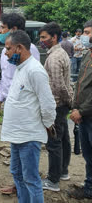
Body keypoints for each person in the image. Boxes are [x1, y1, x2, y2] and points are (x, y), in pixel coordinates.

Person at [1, 30, 56, 203]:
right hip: (17, 135)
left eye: (8, 49)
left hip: (28, 136)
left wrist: (47, 125)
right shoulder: (20, 68)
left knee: (31, 179)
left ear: (19, 48)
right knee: (17, 174)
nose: (5, 52)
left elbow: (48, 104)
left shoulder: (35, 71)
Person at [0, 12, 40, 195]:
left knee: (26, 151)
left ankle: (25, 185)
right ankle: (19, 184)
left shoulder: (30, 52)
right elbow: (6, 78)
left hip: (24, 110)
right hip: (12, 106)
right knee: (16, 152)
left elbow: (33, 85)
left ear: (13, 29)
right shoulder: (7, 52)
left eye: (2, 27)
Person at [39, 22, 73, 192]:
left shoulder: (53, 58)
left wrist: (67, 101)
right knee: (63, 139)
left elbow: (59, 86)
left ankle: (53, 180)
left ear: (54, 37)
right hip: (61, 105)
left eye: (44, 37)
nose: (41, 40)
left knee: (54, 142)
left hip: (56, 105)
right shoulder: (61, 53)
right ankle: (63, 171)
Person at [68, 19, 92, 200]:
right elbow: (80, 85)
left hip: (88, 114)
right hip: (83, 115)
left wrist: (81, 110)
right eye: (84, 32)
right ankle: (89, 187)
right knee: (88, 154)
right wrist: (75, 107)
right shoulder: (87, 54)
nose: (85, 37)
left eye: (89, 33)